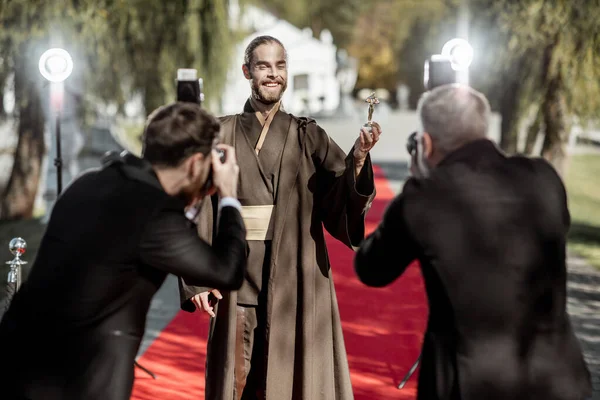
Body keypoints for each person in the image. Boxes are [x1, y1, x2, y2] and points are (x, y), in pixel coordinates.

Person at [354, 84, 592, 400]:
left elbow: (372, 268)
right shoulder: (544, 178)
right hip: (558, 381)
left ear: (426, 142)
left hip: (468, 384)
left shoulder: (424, 198)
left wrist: (418, 178)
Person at [178, 35, 381, 399]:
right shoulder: (220, 133)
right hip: (235, 275)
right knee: (236, 380)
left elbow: (338, 197)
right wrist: (195, 278)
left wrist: (360, 158)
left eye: (280, 65)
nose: (273, 74)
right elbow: (194, 203)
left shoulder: (309, 136)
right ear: (247, 72)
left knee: (290, 376)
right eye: (263, 66)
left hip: (295, 272)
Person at [0, 102, 247, 400]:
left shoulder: (89, 182)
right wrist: (229, 196)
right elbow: (226, 271)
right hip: (81, 380)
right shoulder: (155, 215)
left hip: (17, 358)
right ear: (195, 163)